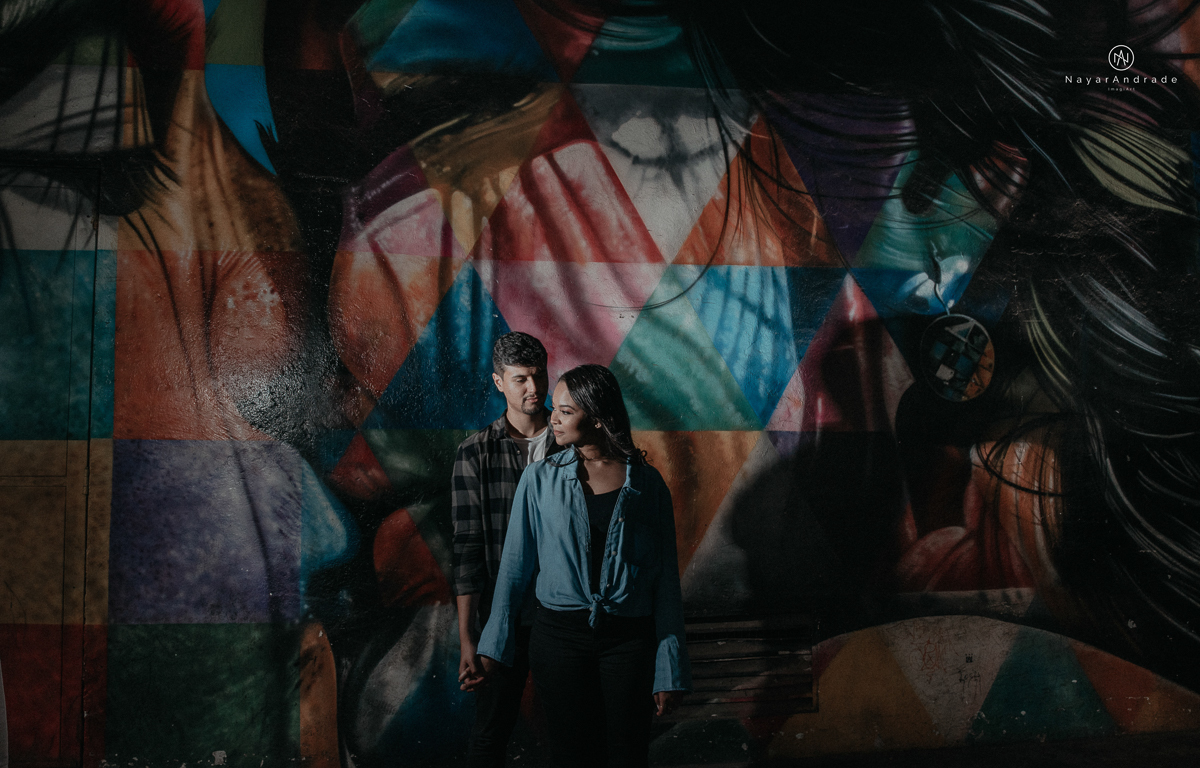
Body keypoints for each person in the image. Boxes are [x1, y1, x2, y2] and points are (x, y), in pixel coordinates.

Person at [477, 364, 690, 768]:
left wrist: (669, 670)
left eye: (566, 411)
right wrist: (493, 647)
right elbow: (514, 568)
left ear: (595, 417)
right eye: (553, 408)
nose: (552, 417)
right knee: (571, 755)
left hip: (629, 642)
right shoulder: (539, 479)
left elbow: (665, 585)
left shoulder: (647, 485)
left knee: (627, 754)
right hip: (558, 640)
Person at [452, 331, 562, 768]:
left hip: (564, 613)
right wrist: (467, 637)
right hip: (503, 616)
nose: (534, 388)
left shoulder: (572, 443)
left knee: (573, 731)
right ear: (499, 382)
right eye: (521, 379)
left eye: (539, 376)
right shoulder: (475, 452)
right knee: (489, 734)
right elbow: (467, 549)